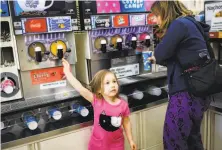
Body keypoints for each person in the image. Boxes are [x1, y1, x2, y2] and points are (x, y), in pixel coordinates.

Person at [149, 1, 212, 150]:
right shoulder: (191, 23)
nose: (156, 20)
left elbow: (160, 53)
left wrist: (158, 55)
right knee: (192, 141)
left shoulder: (179, 25)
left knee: (173, 140)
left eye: (157, 15)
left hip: (185, 94)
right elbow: (184, 59)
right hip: (199, 93)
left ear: (165, 12)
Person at [62, 58, 136, 150]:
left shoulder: (123, 105)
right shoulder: (96, 101)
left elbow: (126, 122)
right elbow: (81, 89)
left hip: (117, 145)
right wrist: (68, 73)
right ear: (98, 90)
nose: (112, 85)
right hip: (98, 145)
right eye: (107, 83)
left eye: (114, 81)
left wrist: (131, 140)